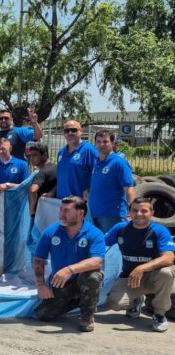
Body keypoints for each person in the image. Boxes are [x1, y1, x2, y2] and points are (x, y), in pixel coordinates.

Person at [32, 196, 105, 332]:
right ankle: (78, 301)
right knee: (42, 315)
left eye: (66, 211)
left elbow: (97, 261)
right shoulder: (51, 231)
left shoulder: (94, 233)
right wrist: (41, 285)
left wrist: (70, 270)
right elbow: (38, 259)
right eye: (61, 210)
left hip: (83, 280)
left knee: (93, 276)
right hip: (61, 283)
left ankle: (87, 315)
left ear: (81, 213)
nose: (61, 214)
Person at [104, 197, 175, 332]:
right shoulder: (120, 228)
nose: (139, 214)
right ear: (129, 212)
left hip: (154, 277)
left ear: (151, 213)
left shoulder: (159, 230)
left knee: (166, 273)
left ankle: (159, 314)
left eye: (144, 211)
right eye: (135, 210)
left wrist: (142, 267)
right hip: (130, 278)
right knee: (114, 302)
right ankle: (136, 301)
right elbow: (100, 243)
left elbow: (169, 258)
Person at [88, 130, 135, 233]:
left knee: (112, 248)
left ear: (112, 143)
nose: (101, 144)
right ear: (95, 144)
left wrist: (131, 212)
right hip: (94, 215)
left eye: (105, 141)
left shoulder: (119, 163)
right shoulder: (96, 162)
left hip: (112, 217)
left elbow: (129, 189)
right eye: (98, 141)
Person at [55, 120, 97, 199]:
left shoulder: (89, 150)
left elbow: (99, 175)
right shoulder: (61, 152)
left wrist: (89, 189)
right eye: (67, 131)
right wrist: (52, 192)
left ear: (81, 131)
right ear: (63, 133)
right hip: (62, 202)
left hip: (80, 204)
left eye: (74, 130)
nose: (70, 133)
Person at [27, 142, 57, 218]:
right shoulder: (56, 167)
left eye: (35, 155)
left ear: (45, 155)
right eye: (30, 155)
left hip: (43, 214)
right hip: (55, 210)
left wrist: (32, 210)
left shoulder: (42, 172)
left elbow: (33, 190)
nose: (31, 158)